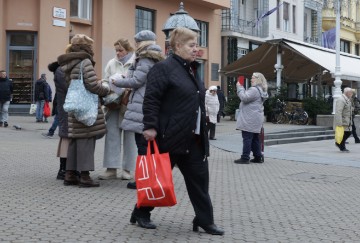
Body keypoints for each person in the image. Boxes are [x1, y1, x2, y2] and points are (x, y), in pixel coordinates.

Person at [130, 27, 224, 235]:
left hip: (193, 138)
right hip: (169, 137)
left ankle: (204, 220)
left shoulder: (191, 69)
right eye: (192, 45)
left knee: (199, 180)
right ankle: (141, 212)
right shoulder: (163, 68)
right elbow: (151, 99)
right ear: (178, 46)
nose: (196, 49)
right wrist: (150, 127)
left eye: (197, 45)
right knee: (158, 180)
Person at [110, 30, 164, 190]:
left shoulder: (146, 59)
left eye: (137, 43)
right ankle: (147, 177)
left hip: (142, 104)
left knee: (142, 145)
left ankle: (143, 179)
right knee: (146, 145)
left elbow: (137, 80)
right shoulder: (153, 57)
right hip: (146, 103)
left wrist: (118, 82)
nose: (135, 45)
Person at [57, 34, 110, 187]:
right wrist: (106, 89)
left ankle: (70, 174)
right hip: (87, 108)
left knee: (75, 140)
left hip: (75, 106)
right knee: (86, 140)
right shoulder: (85, 62)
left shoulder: (68, 62)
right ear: (86, 47)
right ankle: (85, 177)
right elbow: (92, 85)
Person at [99, 38, 137, 181]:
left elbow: (139, 81)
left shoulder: (135, 62)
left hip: (130, 105)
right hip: (113, 104)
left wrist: (126, 86)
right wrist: (107, 87)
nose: (118, 53)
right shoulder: (111, 62)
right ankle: (111, 168)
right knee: (112, 136)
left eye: (120, 50)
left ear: (128, 50)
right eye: (116, 50)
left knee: (130, 137)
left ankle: (127, 169)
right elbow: (105, 79)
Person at [234, 72, 268, 164]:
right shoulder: (261, 90)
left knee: (247, 138)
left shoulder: (254, 90)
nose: (251, 79)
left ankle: (245, 157)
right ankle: (258, 157)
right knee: (255, 138)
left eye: (253, 78)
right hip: (256, 118)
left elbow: (244, 97)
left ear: (257, 79)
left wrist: (240, 87)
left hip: (249, 118)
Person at [334, 87, 353, 152]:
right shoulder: (341, 99)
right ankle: (341, 146)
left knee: (348, 132)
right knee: (346, 133)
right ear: (347, 93)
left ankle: (339, 144)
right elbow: (338, 111)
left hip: (347, 120)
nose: (352, 93)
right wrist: (339, 122)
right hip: (343, 120)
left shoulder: (347, 99)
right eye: (351, 92)